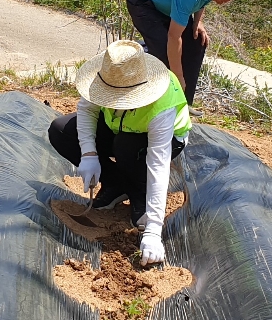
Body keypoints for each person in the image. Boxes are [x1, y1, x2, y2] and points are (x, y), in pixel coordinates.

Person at [48, 40, 191, 267]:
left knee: (126, 146)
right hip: (119, 129)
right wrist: (89, 155)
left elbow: (158, 163)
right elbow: (87, 110)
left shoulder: (161, 104)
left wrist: (154, 230)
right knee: (61, 131)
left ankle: (138, 193)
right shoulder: (107, 75)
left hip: (165, 140)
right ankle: (116, 185)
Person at [126, 0, 249, 110]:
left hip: (171, 4)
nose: (224, 1)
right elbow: (174, 36)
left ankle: (182, 104)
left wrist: (198, 22)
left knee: (197, 41)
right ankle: (158, 105)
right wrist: (178, 77)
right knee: (164, 52)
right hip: (144, 2)